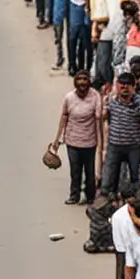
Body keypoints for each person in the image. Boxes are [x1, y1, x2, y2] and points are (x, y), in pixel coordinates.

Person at [56, 68, 102, 205]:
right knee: (75, 171)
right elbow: (64, 116)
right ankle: (74, 196)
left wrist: (101, 143)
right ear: (75, 82)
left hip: (89, 142)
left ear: (89, 82)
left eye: (85, 79)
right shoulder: (69, 98)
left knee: (89, 172)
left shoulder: (95, 97)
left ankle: (90, 196)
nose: (82, 82)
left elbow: (98, 119)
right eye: (79, 79)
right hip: (72, 141)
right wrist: (57, 139)